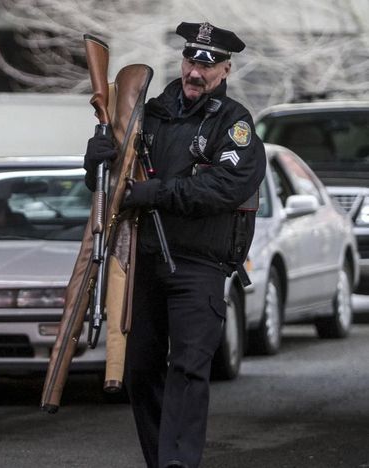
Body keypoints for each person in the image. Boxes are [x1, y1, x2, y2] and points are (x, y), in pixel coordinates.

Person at [83, 22, 267, 468]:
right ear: (182, 62)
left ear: (225, 70)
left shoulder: (234, 123)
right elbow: (108, 188)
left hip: (199, 266)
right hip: (142, 262)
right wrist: (97, 161)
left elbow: (224, 188)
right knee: (141, 371)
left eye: (207, 66)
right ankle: (160, 460)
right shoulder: (149, 113)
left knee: (188, 370)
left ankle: (178, 463)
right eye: (190, 61)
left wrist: (158, 193)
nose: (195, 73)